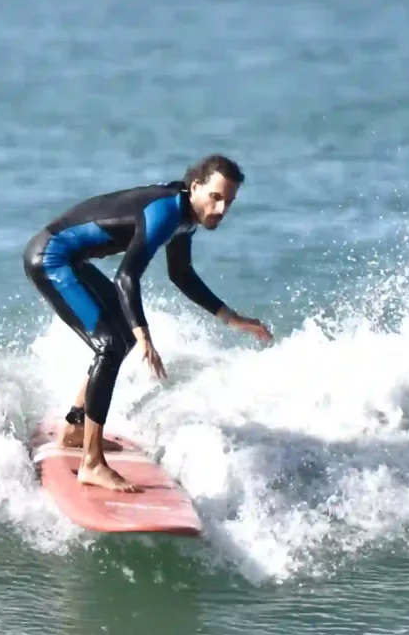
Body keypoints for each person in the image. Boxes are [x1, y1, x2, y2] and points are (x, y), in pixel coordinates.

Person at [22, 153, 273, 492]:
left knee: (117, 339)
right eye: (215, 197)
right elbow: (126, 277)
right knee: (113, 344)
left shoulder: (185, 217)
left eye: (228, 202)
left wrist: (233, 319)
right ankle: (92, 463)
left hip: (73, 260)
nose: (220, 209)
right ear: (195, 187)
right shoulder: (167, 210)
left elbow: (181, 274)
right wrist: (145, 336)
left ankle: (75, 428)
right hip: (51, 256)